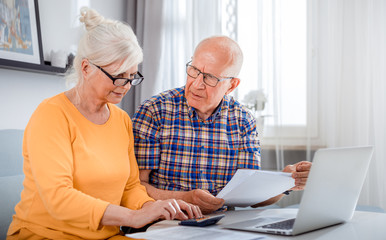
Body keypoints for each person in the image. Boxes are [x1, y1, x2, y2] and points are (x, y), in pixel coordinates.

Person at [7, 7, 202, 240]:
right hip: (46, 234)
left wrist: (152, 207)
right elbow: (58, 198)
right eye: (118, 76)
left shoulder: (121, 120)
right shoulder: (52, 115)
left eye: (132, 77)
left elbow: (130, 187)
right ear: (86, 68)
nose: (126, 85)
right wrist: (132, 218)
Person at [132, 36, 312, 214]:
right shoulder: (154, 111)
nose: (197, 84)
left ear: (232, 85)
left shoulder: (243, 121)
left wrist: (287, 180)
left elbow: (251, 196)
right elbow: (135, 187)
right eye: (194, 70)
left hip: (224, 224)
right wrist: (184, 198)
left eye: (210, 78)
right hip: (167, 220)